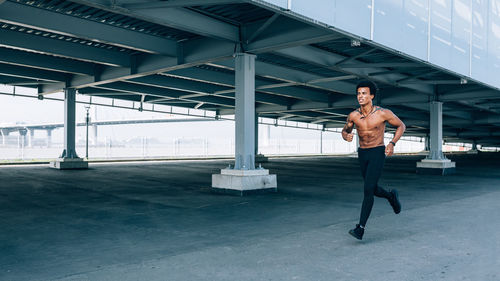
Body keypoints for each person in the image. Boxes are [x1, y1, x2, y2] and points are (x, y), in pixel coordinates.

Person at [342, 80, 406, 240]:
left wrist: (392, 143)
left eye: (364, 93)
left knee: (368, 190)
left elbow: (401, 126)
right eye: (358, 93)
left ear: (371, 95)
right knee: (371, 188)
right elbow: (345, 130)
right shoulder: (354, 115)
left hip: (377, 151)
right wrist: (346, 135)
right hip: (363, 153)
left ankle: (360, 228)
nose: (360, 96)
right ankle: (391, 196)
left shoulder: (383, 113)